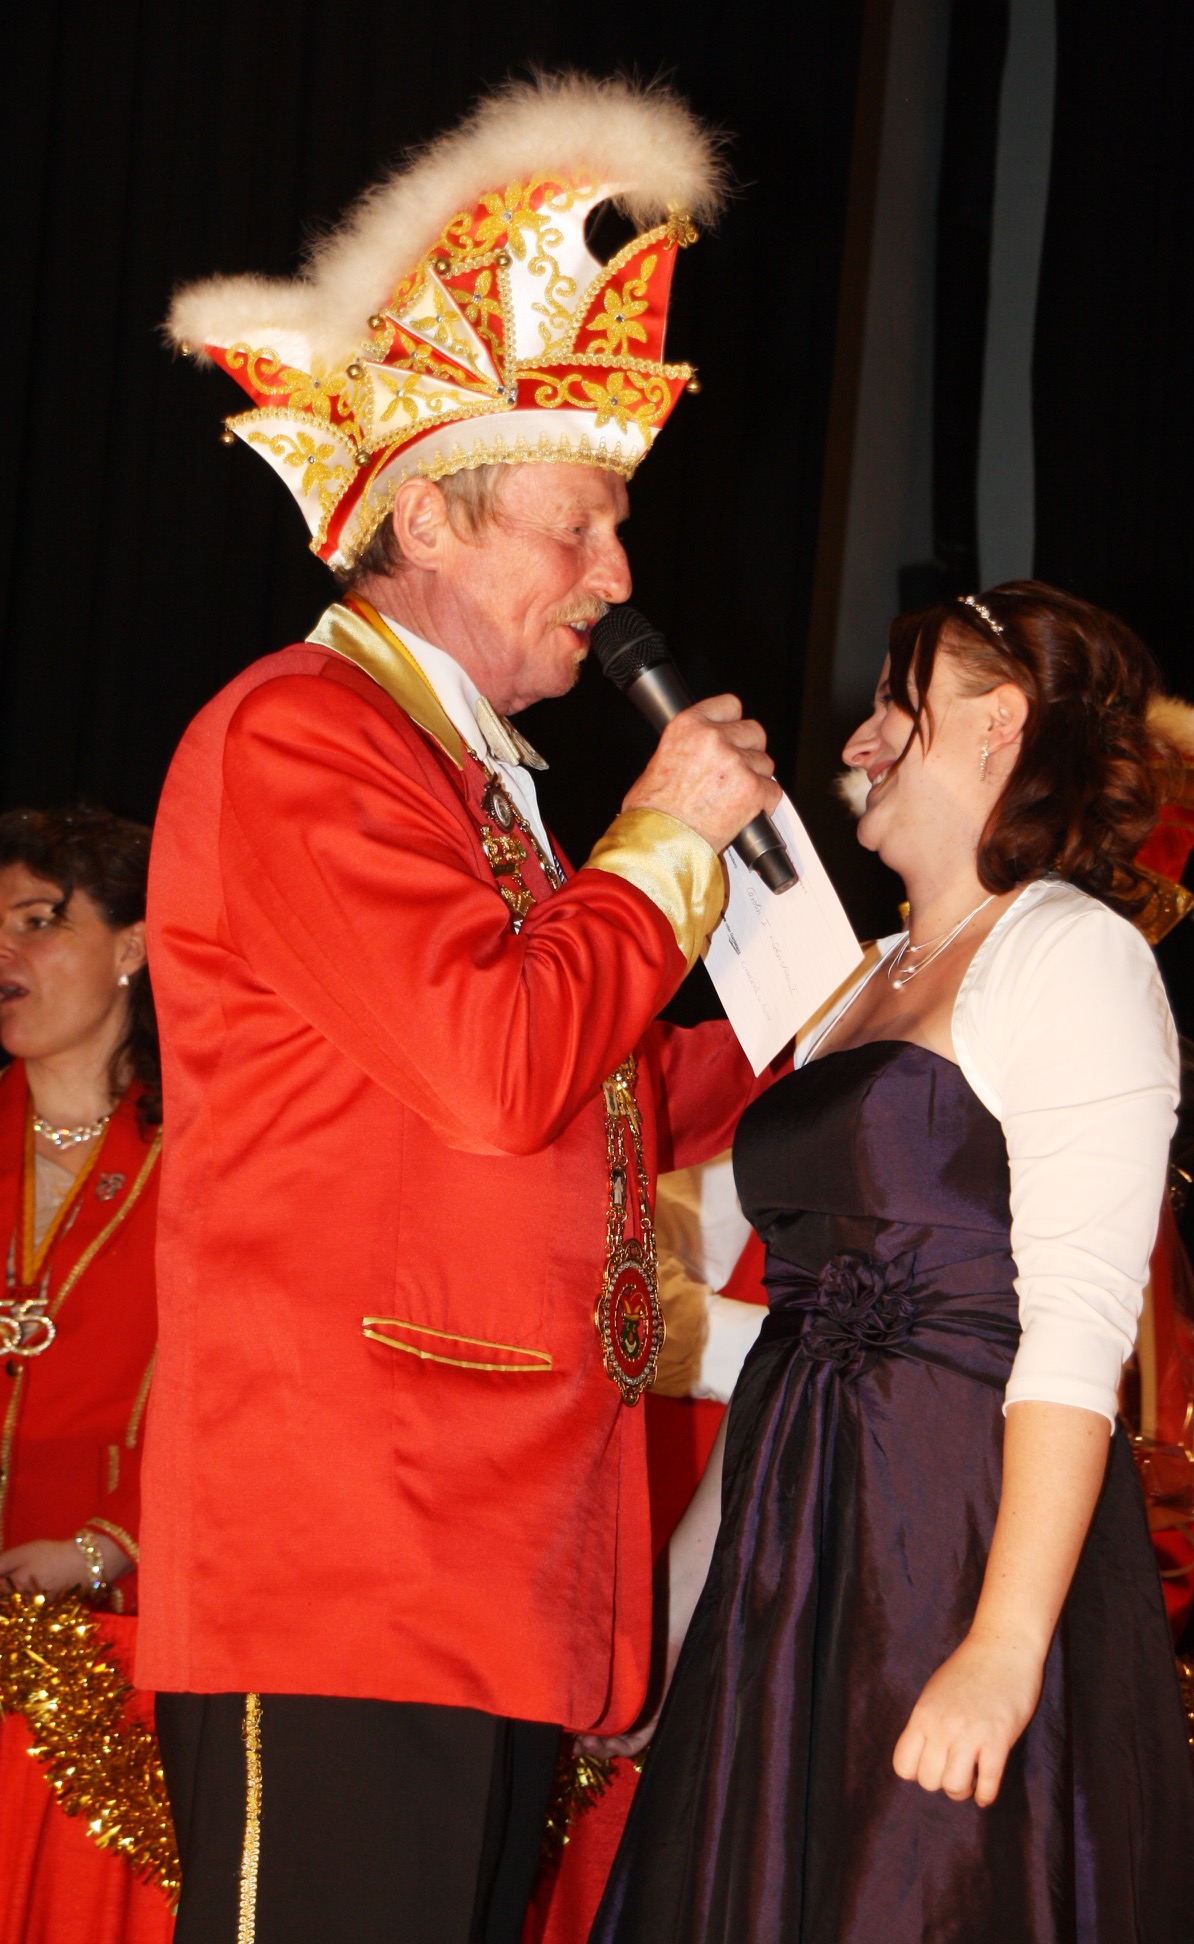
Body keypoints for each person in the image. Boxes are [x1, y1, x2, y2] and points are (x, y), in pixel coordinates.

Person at [140, 73, 780, 1944]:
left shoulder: (465, 776)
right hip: (352, 1566)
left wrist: (835, 1018)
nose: (619, 575)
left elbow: (591, 1088)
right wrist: (661, 842)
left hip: (486, 1565)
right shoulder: (300, 734)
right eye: (581, 525)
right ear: (426, 518)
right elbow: (501, 1064)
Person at [591, 582, 1194, 1941]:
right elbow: (802, 1339)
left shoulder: (1072, 954)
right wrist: (680, 1613)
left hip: (956, 1540)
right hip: (795, 1551)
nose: (860, 740)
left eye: (898, 703)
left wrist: (1002, 1647)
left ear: (1000, 724)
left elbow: (1077, 1331)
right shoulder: (859, 980)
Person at [0, 805, 172, 1944]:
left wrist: (106, 1546)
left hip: (120, 1651)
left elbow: (261, 1398)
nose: (4, 955)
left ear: (133, 949)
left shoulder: (219, 1154)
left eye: (36, 922)